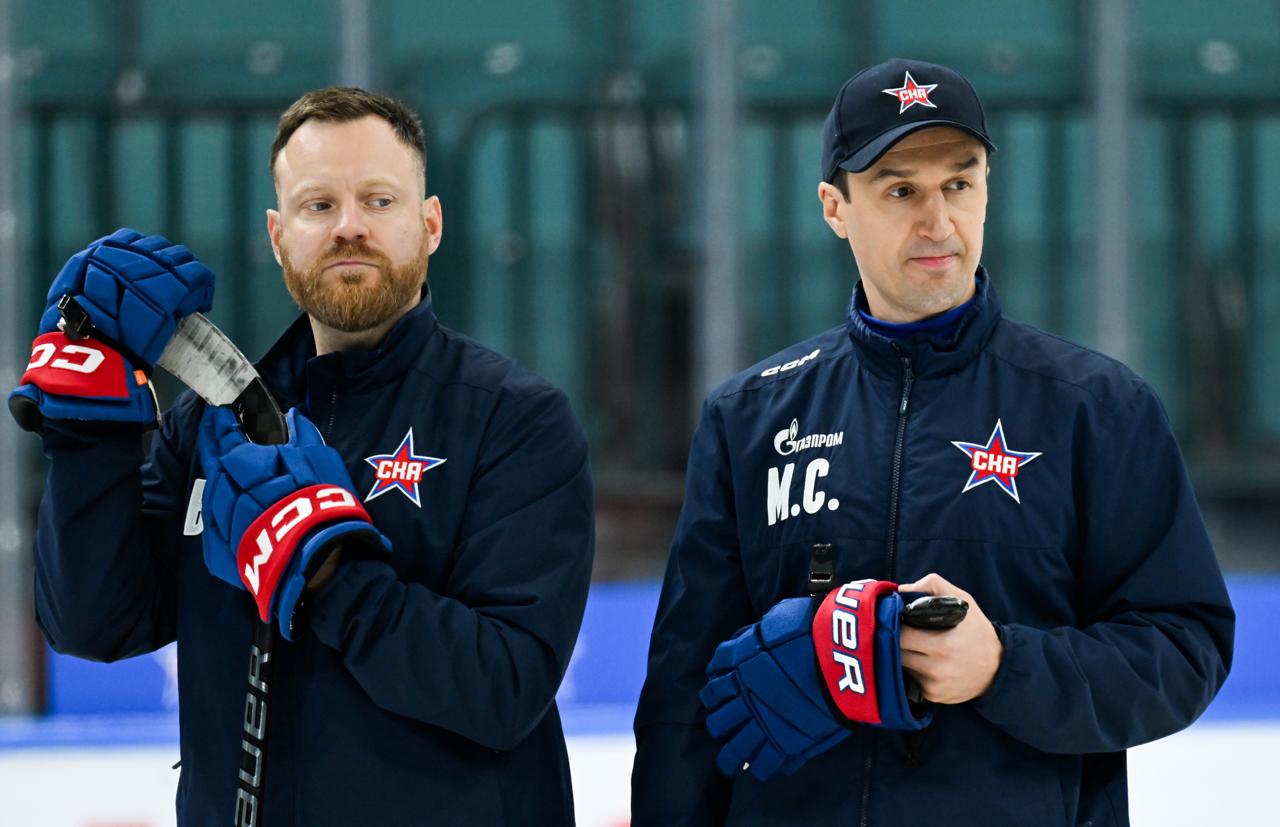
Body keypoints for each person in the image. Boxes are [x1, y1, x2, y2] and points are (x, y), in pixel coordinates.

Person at [631, 58, 1234, 826]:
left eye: (959, 183)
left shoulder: (1099, 407)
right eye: (900, 191)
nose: (939, 222)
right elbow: (682, 696)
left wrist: (1004, 665)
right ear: (835, 208)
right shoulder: (751, 416)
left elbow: (1184, 648)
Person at [12, 87, 595, 825]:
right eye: (318, 205)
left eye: (378, 200)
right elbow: (92, 625)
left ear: (430, 224)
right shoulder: (210, 426)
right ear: (278, 234)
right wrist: (88, 440)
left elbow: (505, 688)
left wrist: (328, 570)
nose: (349, 226)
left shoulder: (515, 419)